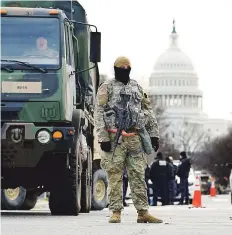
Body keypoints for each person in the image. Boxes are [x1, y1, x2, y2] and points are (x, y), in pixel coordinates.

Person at [94, 56, 162, 223]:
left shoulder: (136, 87)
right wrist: (103, 137)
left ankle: (143, 212)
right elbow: (99, 112)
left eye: (127, 67)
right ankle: (115, 211)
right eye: (121, 67)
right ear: (115, 69)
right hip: (114, 138)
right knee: (115, 175)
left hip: (135, 138)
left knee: (138, 174)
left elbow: (148, 111)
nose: (124, 70)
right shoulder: (107, 87)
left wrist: (154, 134)